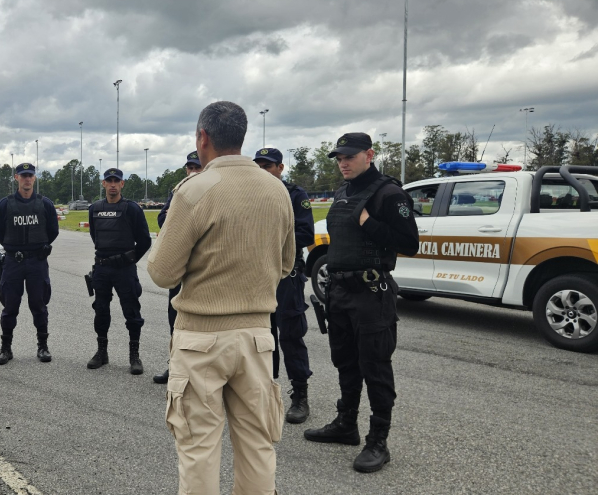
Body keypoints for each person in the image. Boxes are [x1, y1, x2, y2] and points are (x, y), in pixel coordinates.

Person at [147, 101, 295, 495]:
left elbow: (162, 273)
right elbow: (286, 263)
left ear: (203, 138)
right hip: (258, 337)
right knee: (258, 446)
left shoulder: (195, 191)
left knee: (198, 450)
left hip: (202, 339)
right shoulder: (276, 190)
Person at [303, 132, 419, 473]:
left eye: (349, 156)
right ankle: (346, 424)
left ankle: (378, 442)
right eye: (339, 158)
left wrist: (368, 222)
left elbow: (409, 243)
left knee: (376, 368)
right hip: (339, 293)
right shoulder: (342, 192)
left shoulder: (389, 193)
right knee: (346, 363)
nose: (343, 163)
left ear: (369, 154)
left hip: (371, 295)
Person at [253, 147, 316, 424]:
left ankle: (299, 395)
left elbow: (305, 233)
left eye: (268, 166)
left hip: (286, 276)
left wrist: (270, 238)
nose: (262, 171)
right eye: (259, 166)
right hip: (258, 276)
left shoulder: (295, 195)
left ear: (280, 168)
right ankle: (265, 390)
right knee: (261, 338)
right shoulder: (250, 194)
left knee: (290, 335)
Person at [0, 163, 60, 365]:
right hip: (14, 261)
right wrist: (13, 248)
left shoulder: (45, 203)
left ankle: (43, 347)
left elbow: (53, 231)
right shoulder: (6, 204)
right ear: (16, 178)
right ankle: (6, 349)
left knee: (39, 305)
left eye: (30, 175)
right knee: (10, 306)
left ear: (35, 178)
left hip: (37, 262)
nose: (27, 179)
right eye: (23, 176)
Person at [86, 168, 152, 374]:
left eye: (117, 181)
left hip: (125, 269)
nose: (113, 184)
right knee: (101, 311)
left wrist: (129, 259)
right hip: (103, 269)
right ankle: (101, 352)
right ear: (103, 183)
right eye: (109, 181)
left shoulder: (132, 209)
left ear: (122, 184)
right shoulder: (95, 208)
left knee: (132, 312)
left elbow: (144, 241)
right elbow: (95, 236)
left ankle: (134, 356)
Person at [152, 150, 202, 384]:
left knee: (202, 323)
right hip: (180, 267)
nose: (193, 172)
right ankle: (175, 366)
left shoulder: (212, 191)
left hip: (202, 270)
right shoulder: (178, 192)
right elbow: (163, 219)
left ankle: (200, 371)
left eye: (197, 167)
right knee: (175, 319)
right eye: (190, 168)